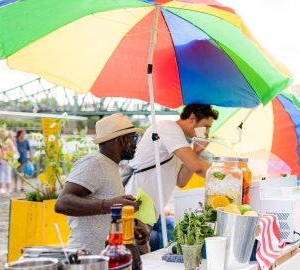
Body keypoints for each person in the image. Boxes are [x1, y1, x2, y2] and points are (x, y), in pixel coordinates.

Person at [125, 104, 219, 250]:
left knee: (139, 258)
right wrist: (227, 173)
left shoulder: (178, 140)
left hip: (145, 213)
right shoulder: (169, 128)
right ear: (192, 118)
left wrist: (196, 152)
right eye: (206, 126)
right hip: (135, 210)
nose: (207, 132)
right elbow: (198, 167)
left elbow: (181, 181)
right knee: (134, 260)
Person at [55, 114, 150, 255]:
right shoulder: (95, 162)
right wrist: (109, 205)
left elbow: (101, 218)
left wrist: (129, 229)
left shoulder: (110, 166)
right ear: (123, 139)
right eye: (134, 138)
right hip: (86, 258)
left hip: (104, 258)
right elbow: (62, 203)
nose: (136, 143)